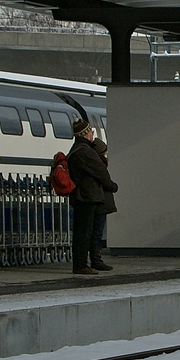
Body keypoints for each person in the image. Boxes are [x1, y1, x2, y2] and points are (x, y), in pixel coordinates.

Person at [67, 117, 117, 275]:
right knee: (85, 232)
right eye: (90, 131)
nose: (92, 133)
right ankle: (81, 265)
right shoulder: (85, 152)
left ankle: (82, 263)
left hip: (82, 196)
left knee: (83, 231)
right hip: (87, 197)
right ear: (85, 133)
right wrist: (112, 186)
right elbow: (100, 172)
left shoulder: (76, 150)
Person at [90, 137, 115, 271]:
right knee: (97, 233)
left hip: (98, 202)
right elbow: (107, 183)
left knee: (94, 232)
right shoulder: (99, 165)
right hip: (101, 202)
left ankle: (95, 259)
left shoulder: (94, 164)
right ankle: (96, 260)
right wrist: (114, 186)